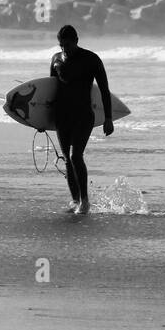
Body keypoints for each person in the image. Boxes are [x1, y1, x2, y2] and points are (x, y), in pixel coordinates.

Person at [50, 24, 114, 214]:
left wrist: (108, 118)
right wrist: (43, 121)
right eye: (61, 45)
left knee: (75, 156)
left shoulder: (91, 59)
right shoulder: (55, 60)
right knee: (68, 161)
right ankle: (75, 200)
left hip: (83, 115)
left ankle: (85, 202)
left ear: (77, 41)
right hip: (62, 116)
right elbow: (52, 90)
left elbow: (104, 89)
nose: (64, 49)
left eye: (67, 45)